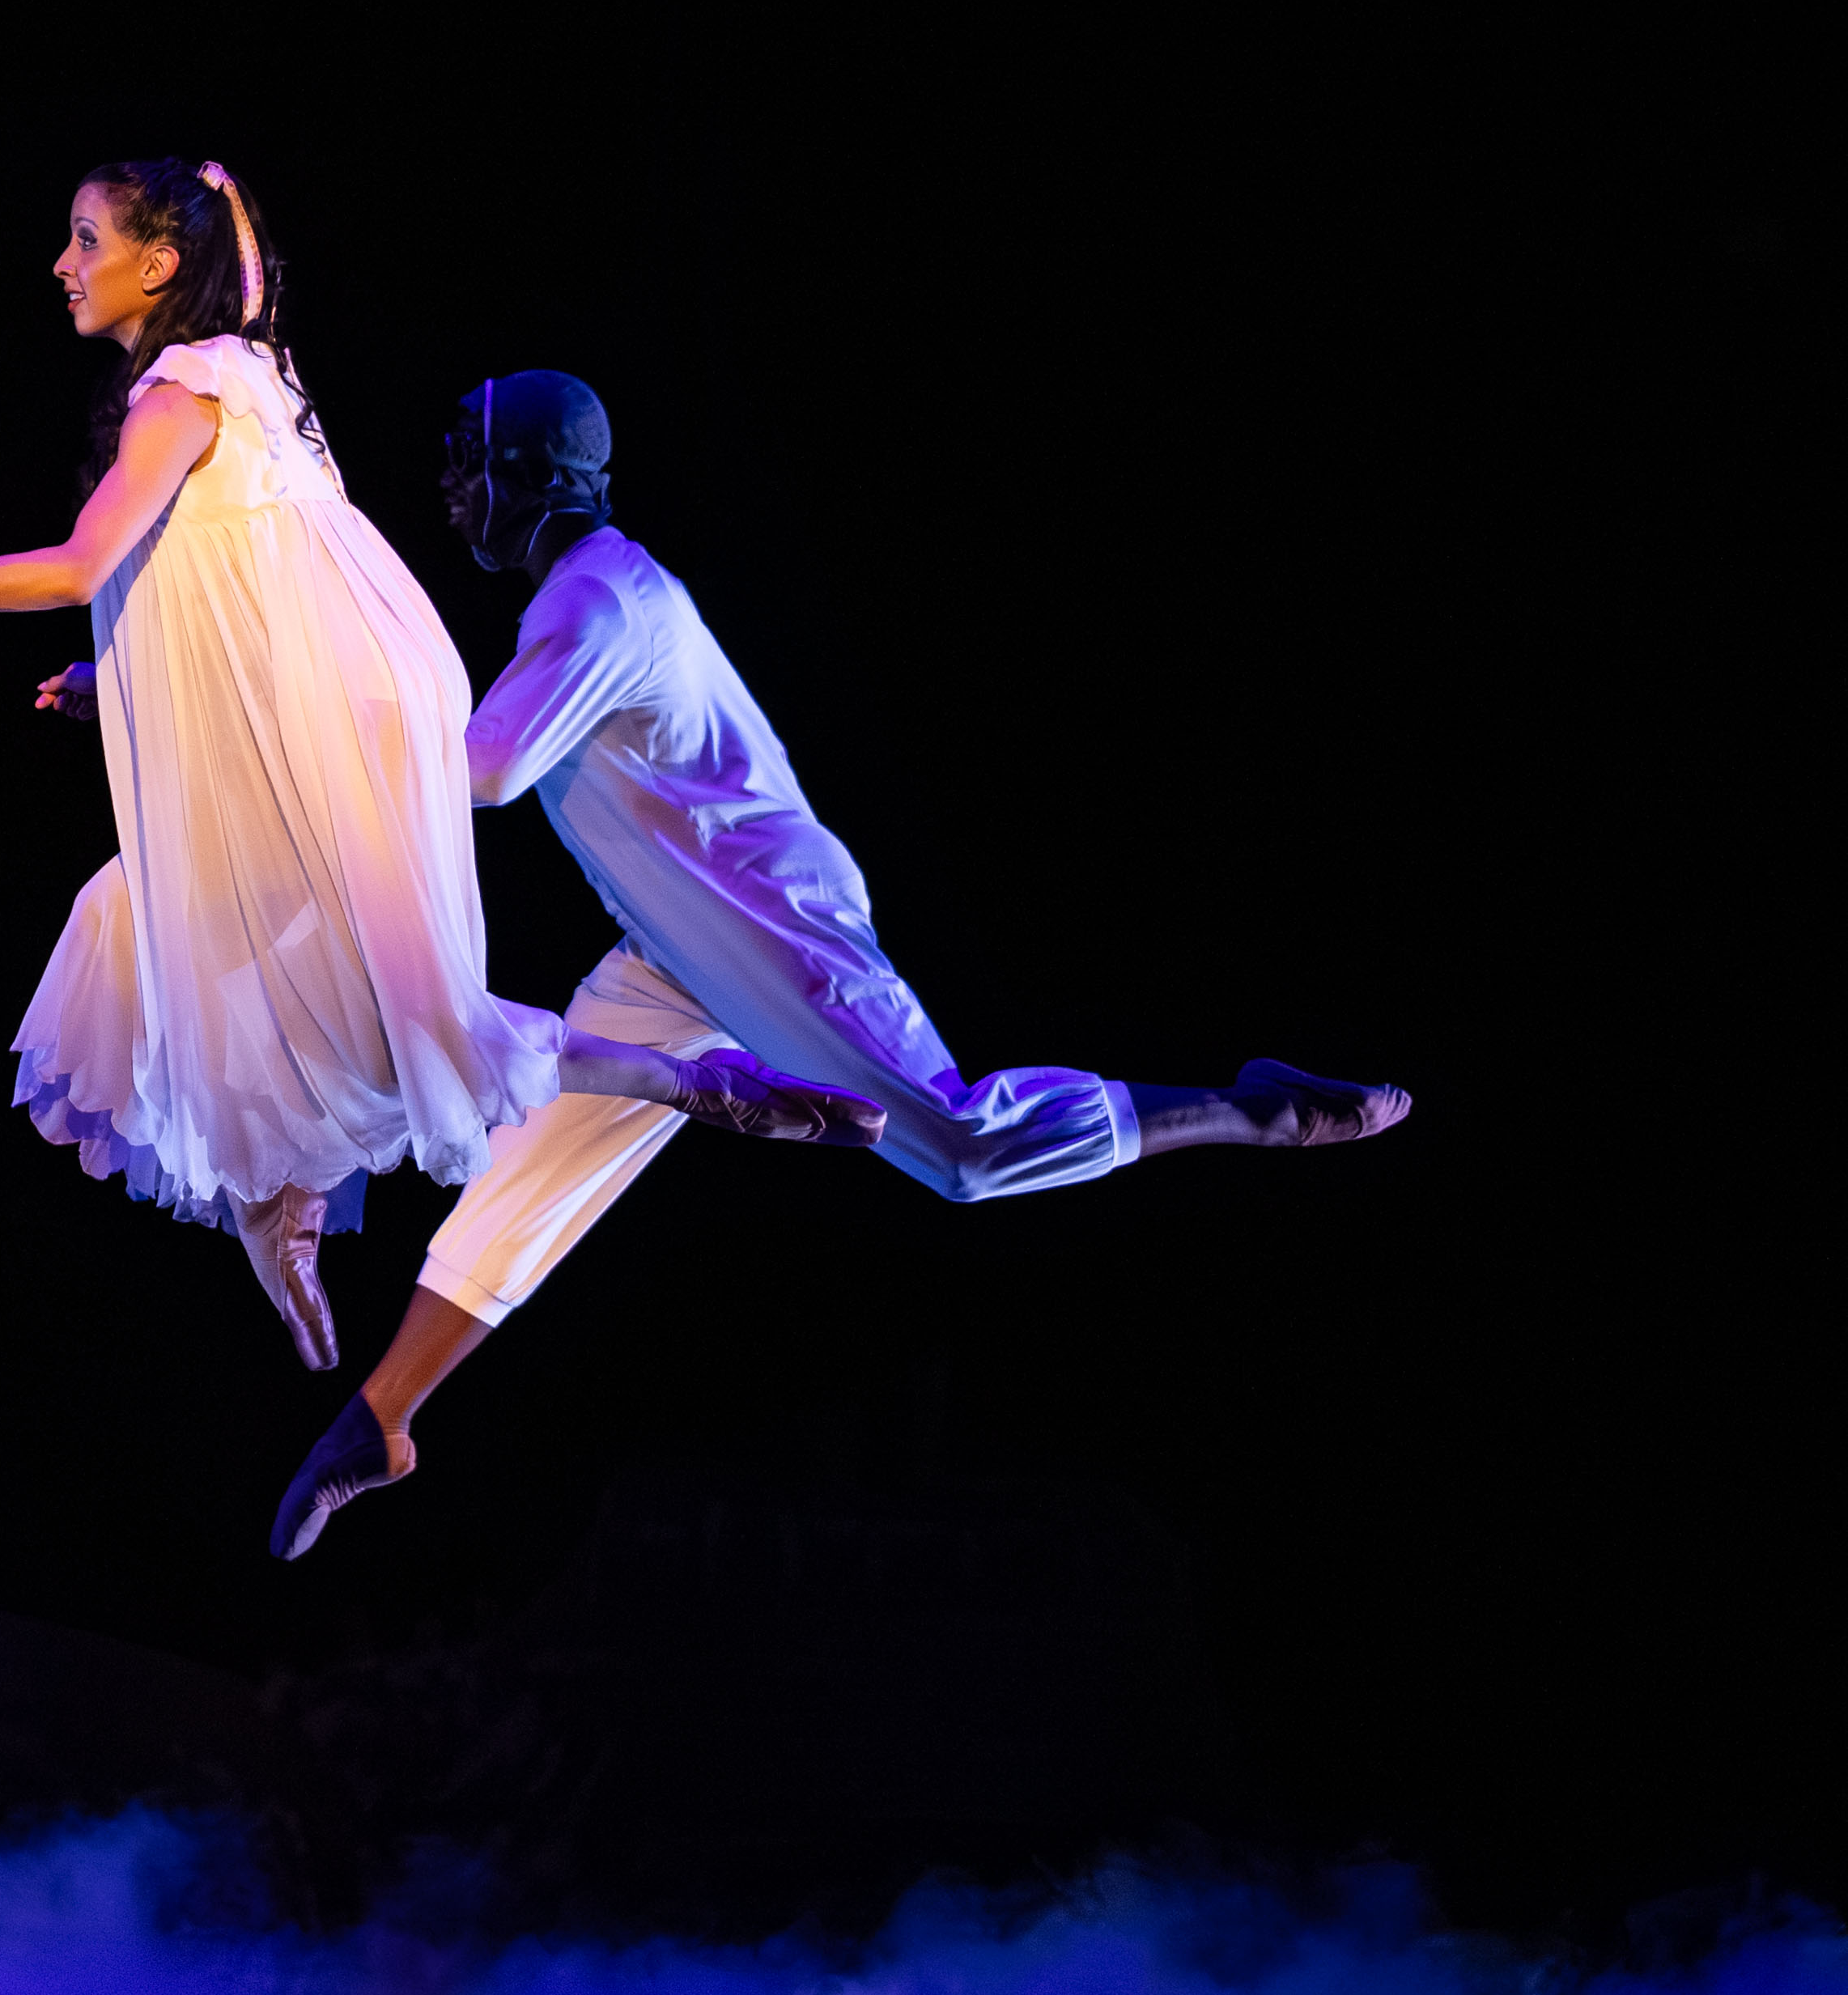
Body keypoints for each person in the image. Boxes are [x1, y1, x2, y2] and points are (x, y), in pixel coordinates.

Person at [260, 371, 1413, 1556]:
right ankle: (381, 1418)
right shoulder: (584, 594)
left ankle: (1249, 1109)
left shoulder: (600, 605)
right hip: (678, 950)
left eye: (468, 458)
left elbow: (483, 772)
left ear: (527, 474)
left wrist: (293, 739)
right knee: (538, 1155)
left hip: (774, 926)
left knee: (962, 1152)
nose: (448, 486)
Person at [0, 160, 848, 1373]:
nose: (62, 264)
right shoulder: (255, 373)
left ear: (157, 265)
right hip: (372, 695)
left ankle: (299, 1193)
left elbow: (85, 567)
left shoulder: (178, 395)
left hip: (329, 716)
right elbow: (226, 576)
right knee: (350, 986)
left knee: (209, 947)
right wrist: (120, 675)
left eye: (85, 238)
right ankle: (630, 1095)